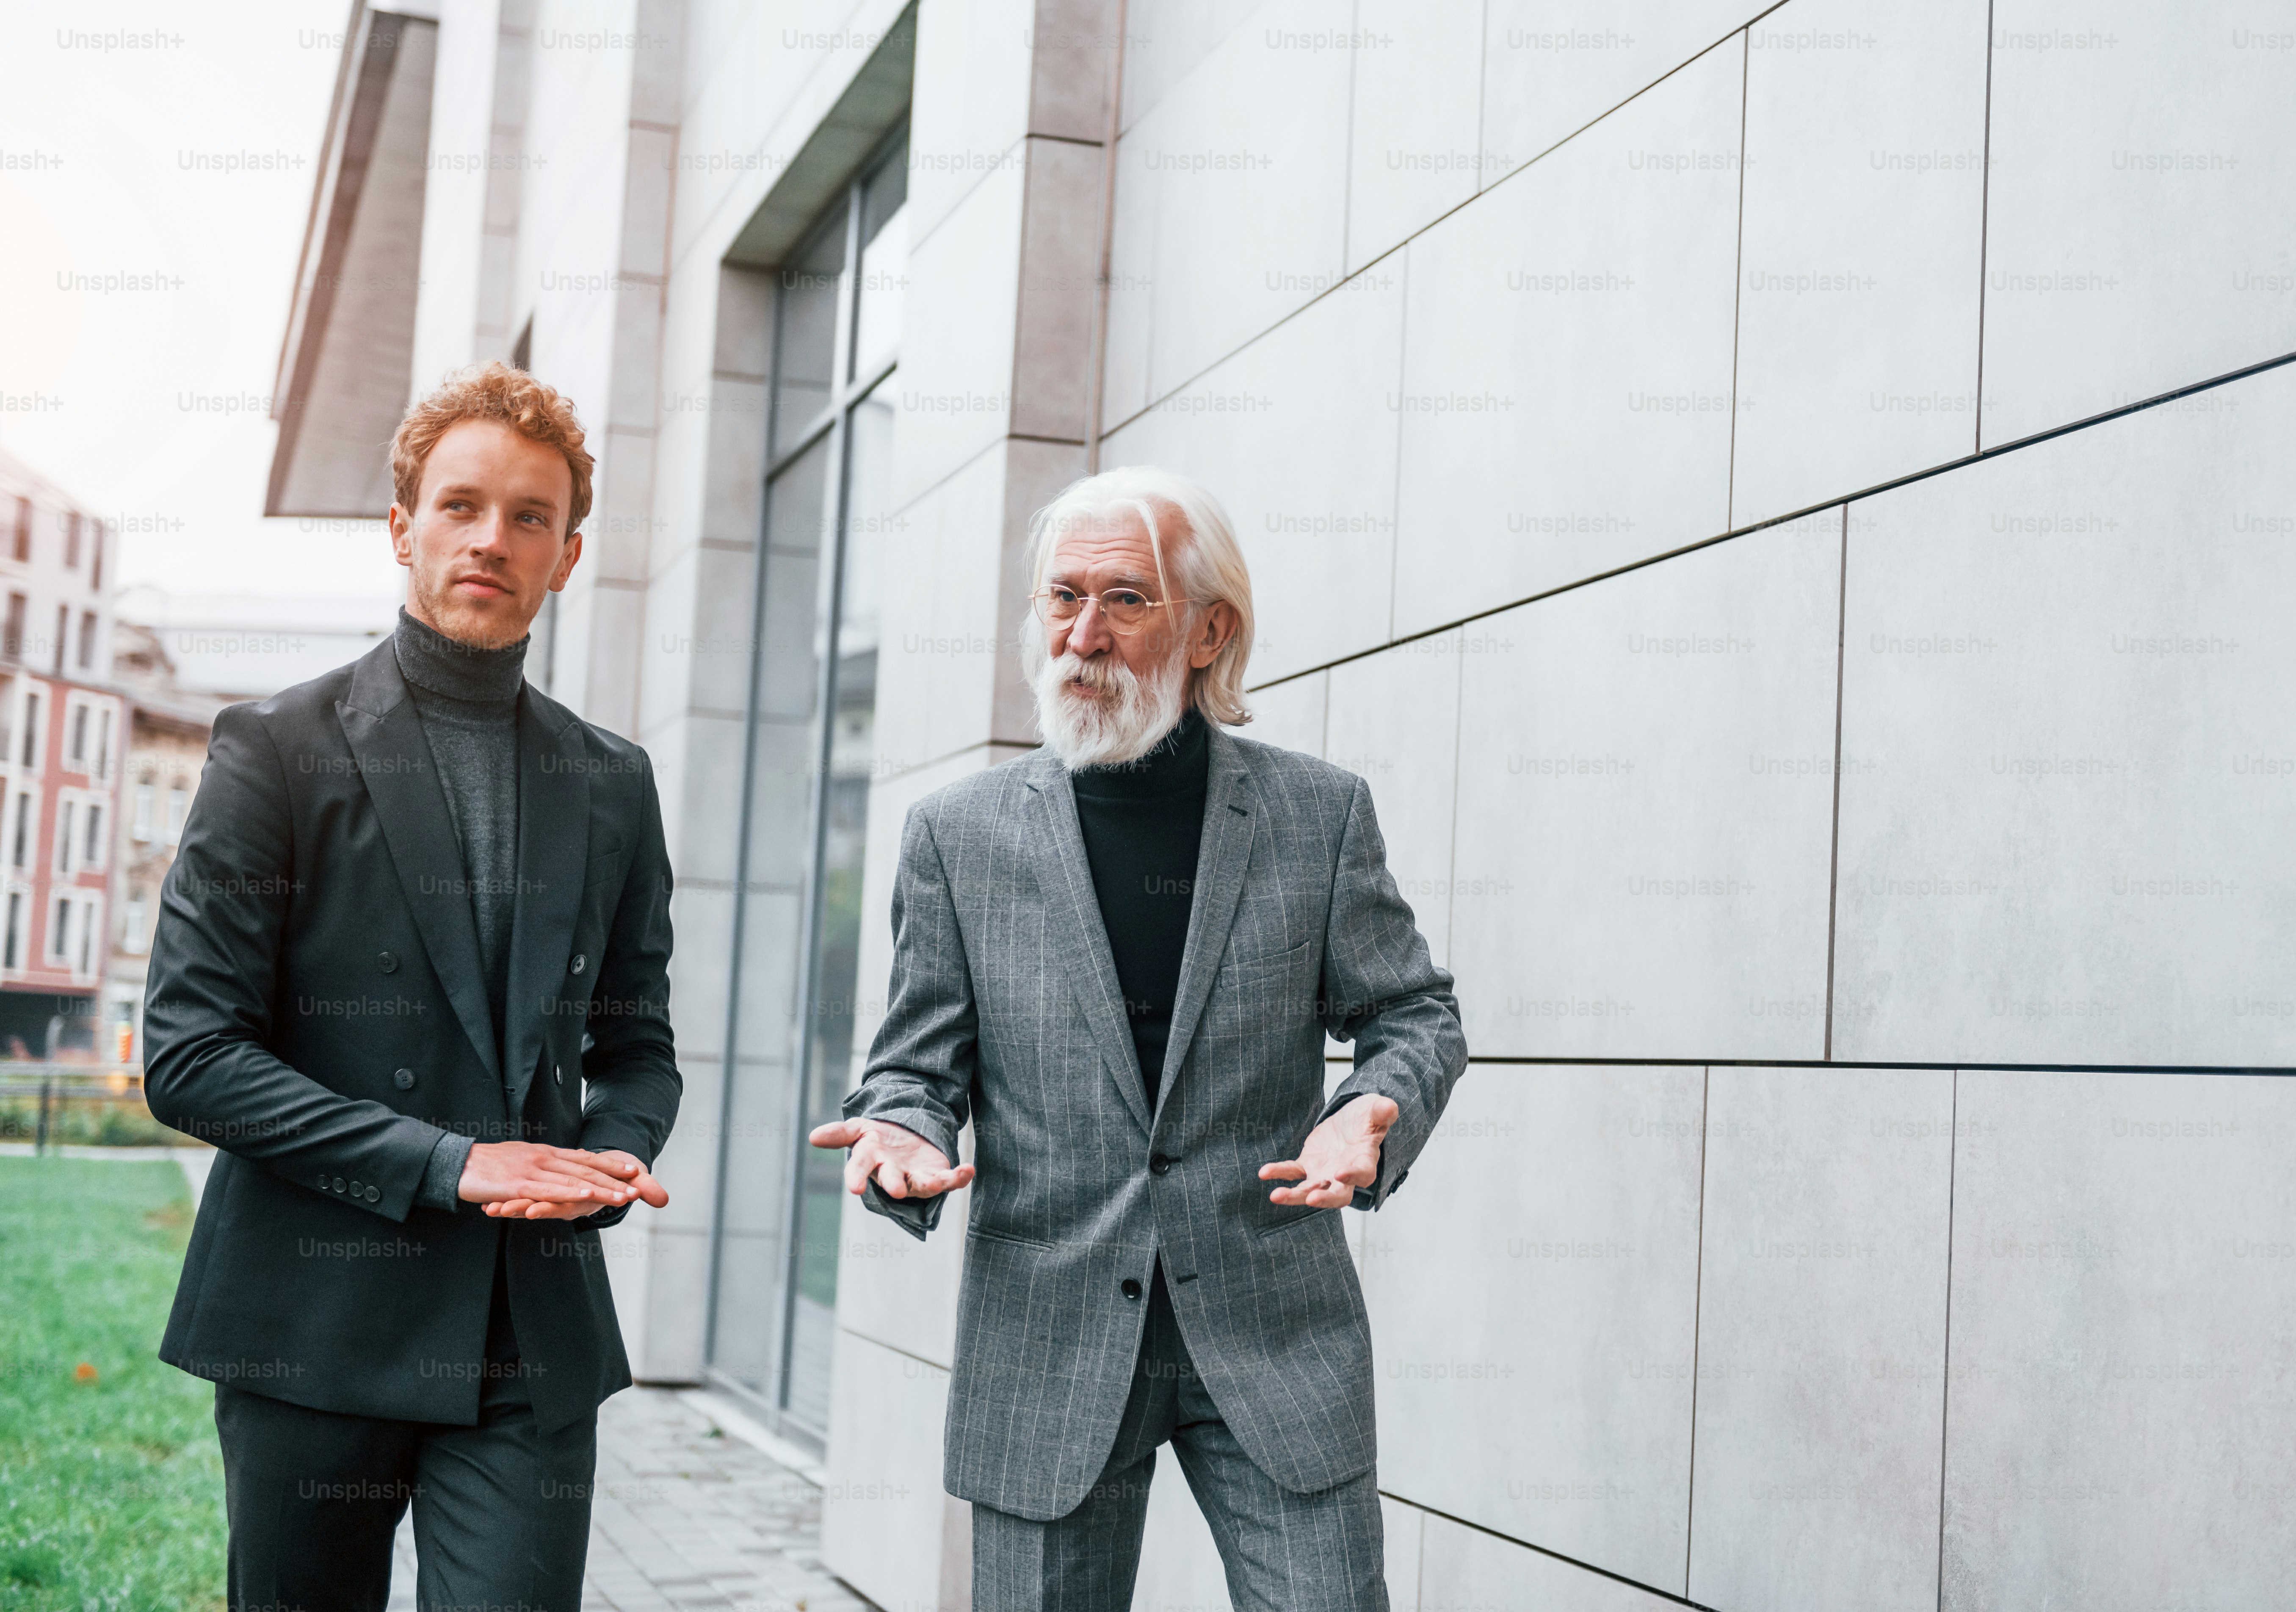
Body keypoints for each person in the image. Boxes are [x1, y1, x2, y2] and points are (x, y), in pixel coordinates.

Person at [810, 466, 1464, 1611]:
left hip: (1272, 1330)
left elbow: (1411, 1012)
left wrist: (1373, 1110)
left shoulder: (1320, 814)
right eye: (1062, 599)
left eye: (1126, 599)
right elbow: (916, 1062)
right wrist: (903, 1134)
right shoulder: (955, 836)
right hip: (1046, 1338)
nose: (1084, 634)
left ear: (1211, 630)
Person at [146, 361, 680, 1612]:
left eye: (530, 516)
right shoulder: (274, 748)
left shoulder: (613, 782)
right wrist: (451, 1162)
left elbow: (637, 1040)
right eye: (462, 505)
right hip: (312, 1318)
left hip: (527, 1338)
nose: (493, 537)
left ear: (569, 553)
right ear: (405, 528)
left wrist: (610, 1154)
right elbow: (190, 1053)